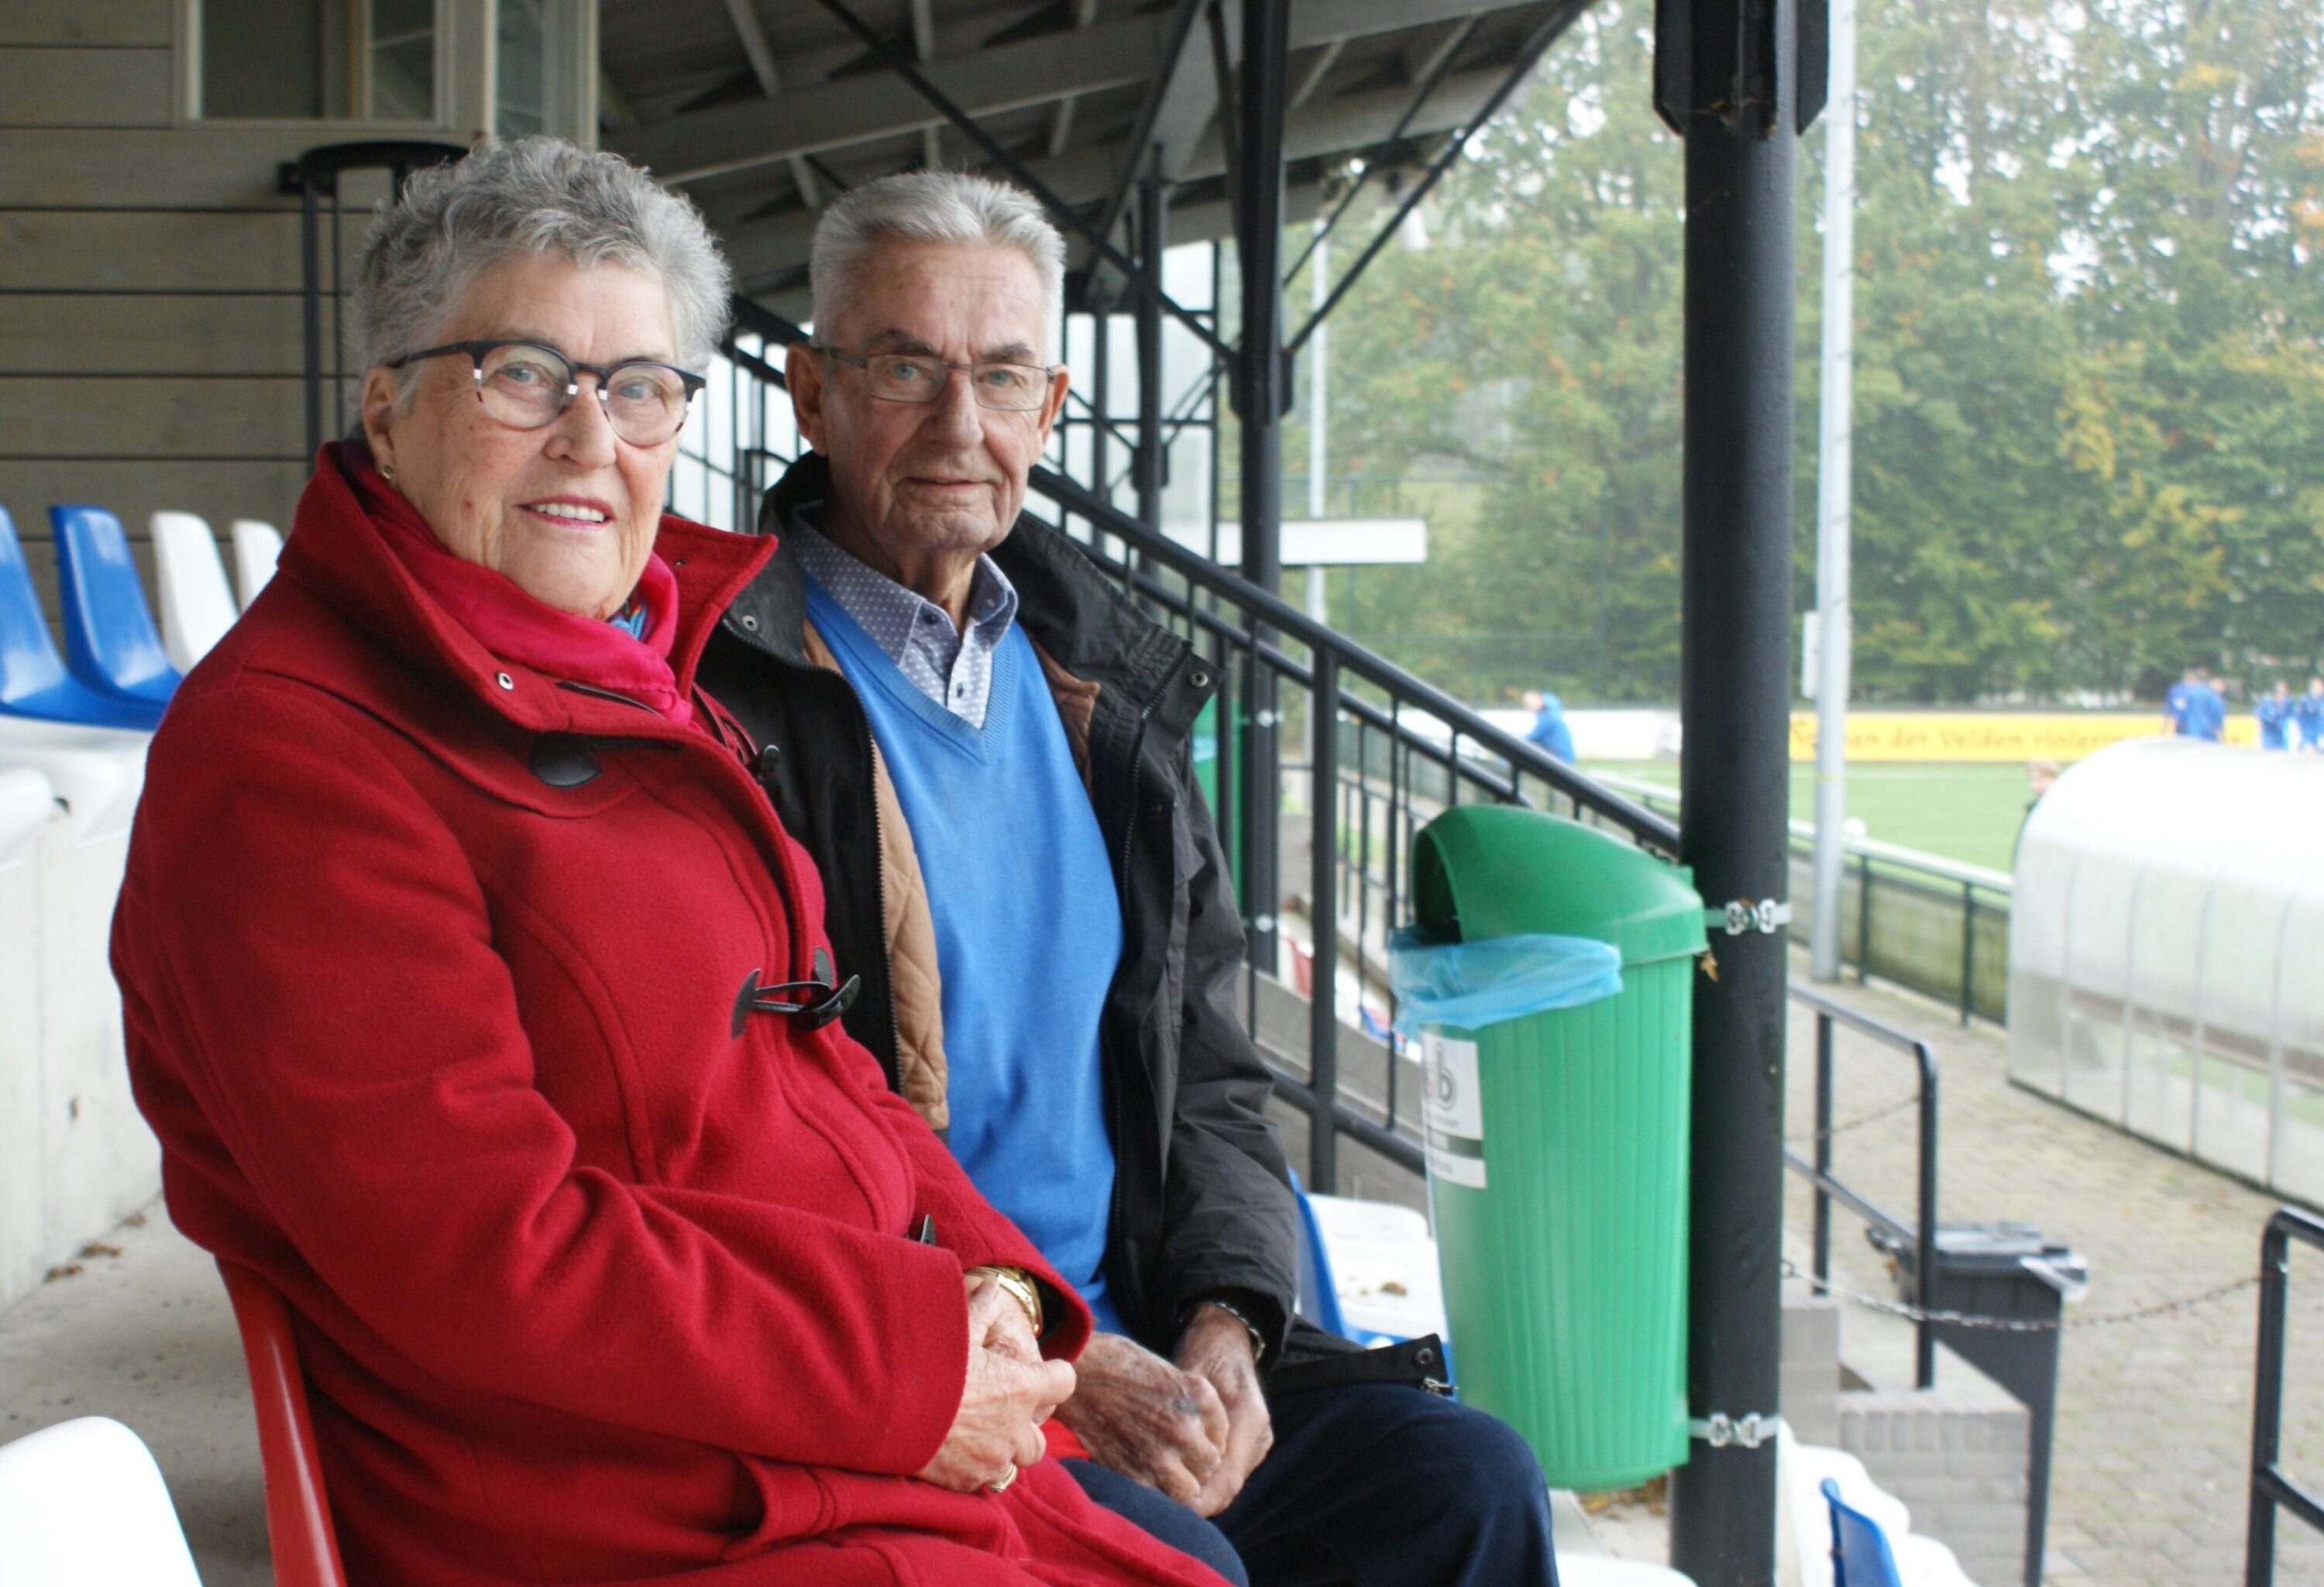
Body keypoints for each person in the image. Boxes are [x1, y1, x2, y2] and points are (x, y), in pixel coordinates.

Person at [109, 139, 1230, 1587]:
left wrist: (999, 1284)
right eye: (522, 372)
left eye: (640, 386)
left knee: (1352, 1510)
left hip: (813, 1437)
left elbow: (831, 1072)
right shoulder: (291, 759)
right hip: (622, 1505)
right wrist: (908, 1365)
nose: (592, 437)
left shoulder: (639, 678)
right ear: (386, 409)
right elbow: (486, 1245)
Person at [698, 170, 1556, 1587]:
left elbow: (1213, 1066)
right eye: (905, 366)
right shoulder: (732, 695)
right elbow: (749, 1133)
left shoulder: (1110, 691)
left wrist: (1230, 1319)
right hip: (929, 1383)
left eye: (1002, 374)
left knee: (1463, 1482)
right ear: (811, 390)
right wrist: (1046, 1359)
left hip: (1144, 1331)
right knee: (1174, 1562)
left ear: (1052, 404)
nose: (958, 424)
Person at [1521, 686, 1575, 763]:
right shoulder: (1552, 711)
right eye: (1527, 706)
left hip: (1559, 757)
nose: (1530, 709)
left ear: (1538, 700)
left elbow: (1533, 737)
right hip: (1562, 755)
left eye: (1530, 705)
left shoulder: (1547, 716)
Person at [2257, 681, 2296, 751]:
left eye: (2284, 693)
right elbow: (2259, 717)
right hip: (2269, 740)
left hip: (2283, 740)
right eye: (2279, 692)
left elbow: (2293, 719)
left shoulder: (2288, 705)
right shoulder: (2266, 703)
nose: (2282, 695)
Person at [2296, 676, 2324, 752]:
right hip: (2308, 735)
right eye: (2316, 687)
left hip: (2321, 734)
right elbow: (2298, 719)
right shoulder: (2305, 700)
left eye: (2320, 687)